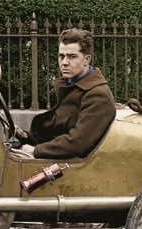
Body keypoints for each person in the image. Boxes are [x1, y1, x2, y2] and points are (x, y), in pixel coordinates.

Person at [10, 28, 117, 159]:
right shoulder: (70, 84)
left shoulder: (97, 95)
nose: (64, 62)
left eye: (72, 57)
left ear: (86, 60)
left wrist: (36, 150)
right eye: (61, 56)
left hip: (72, 167)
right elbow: (57, 130)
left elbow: (78, 142)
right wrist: (26, 136)